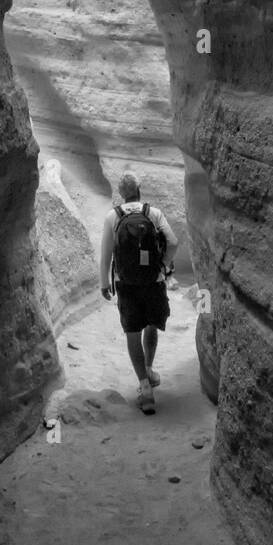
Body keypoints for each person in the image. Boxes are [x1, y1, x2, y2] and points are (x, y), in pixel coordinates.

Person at [100, 172, 178, 415]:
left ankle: (145, 389)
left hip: (127, 284)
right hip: (153, 282)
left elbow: (106, 256)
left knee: (132, 333)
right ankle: (149, 367)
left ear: (121, 193)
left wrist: (105, 283)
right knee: (151, 326)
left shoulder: (113, 216)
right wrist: (162, 266)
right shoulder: (153, 213)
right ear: (139, 189)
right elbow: (173, 243)